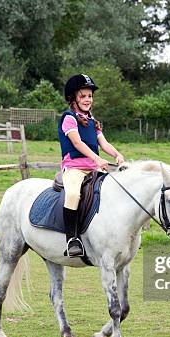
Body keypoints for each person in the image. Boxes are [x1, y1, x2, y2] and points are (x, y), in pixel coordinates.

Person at [58, 74, 125, 257]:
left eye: (90, 96)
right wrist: (97, 159)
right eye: (83, 96)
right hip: (74, 168)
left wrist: (117, 154)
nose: (88, 100)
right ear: (73, 98)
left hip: (94, 168)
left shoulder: (93, 121)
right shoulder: (69, 118)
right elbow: (78, 143)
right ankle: (72, 239)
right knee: (72, 195)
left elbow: (104, 144)